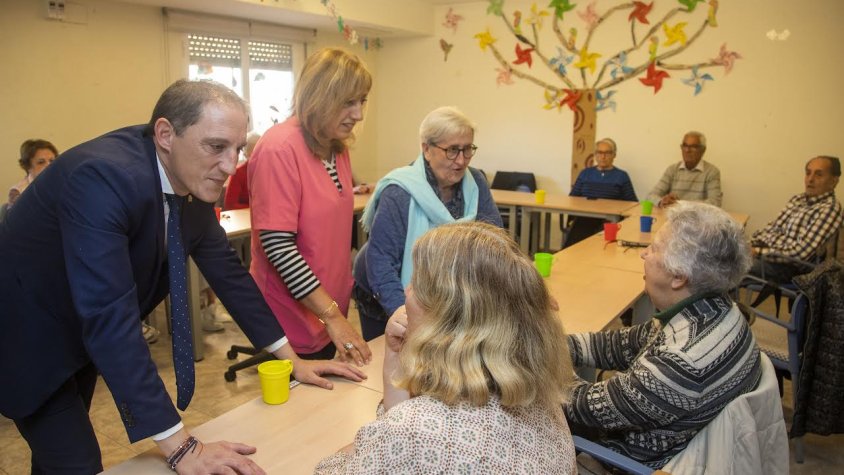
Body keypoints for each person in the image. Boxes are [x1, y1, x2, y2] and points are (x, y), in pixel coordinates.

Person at [0, 79, 365, 474]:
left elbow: (230, 274)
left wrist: (292, 360)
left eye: (238, 148)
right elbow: (111, 318)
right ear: (165, 134)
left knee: (56, 458)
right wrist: (180, 447)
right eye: (216, 146)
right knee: (75, 461)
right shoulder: (102, 178)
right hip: (27, 334)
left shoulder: (187, 180)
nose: (230, 165)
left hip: (77, 332)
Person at [316, 222, 577, 474]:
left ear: (447, 319)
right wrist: (396, 364)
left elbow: (336, 467)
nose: (407, 290)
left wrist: (356, 449)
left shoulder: (414, 431)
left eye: (417, 286)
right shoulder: (538, 391)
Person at [564, 201, 760, 468]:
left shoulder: (682, 361)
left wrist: (538, 356)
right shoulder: (712, 308)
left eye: (654, 248)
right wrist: (558, 343)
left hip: (626, 462)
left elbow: (580, 405)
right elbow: (619, 344)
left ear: (678, 276)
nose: (643, 254)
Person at [248, 48, 372, 365]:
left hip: (326, 308)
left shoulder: (337, 149)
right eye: (348, 102)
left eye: (362, 101)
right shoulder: (279, 148)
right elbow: (277, 246)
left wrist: (333, 313)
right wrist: (330, 315)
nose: (358, 114)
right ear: (320, 97)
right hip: (290, 316)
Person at [353, 106, 502, 340]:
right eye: (452, 150)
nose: (461, 160)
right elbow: (380, 261)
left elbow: (495, 243)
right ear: (426, 149)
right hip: (384, 294)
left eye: (467, 149)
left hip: (441, 293)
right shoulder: (399, 192)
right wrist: (405, 316)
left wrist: (521, 291)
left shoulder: (476, 183)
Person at [750, 155, 843, 284]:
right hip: (769, 255)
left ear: (834, 181)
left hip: (791, 267)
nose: (810, 179)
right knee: (722, 256)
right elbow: (772, 229)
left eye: (819, 175)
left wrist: (757, 252)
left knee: (727, 267)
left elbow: (800, 253)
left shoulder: (830, 208)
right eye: (808, 173)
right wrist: (749, 244)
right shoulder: (797, 199)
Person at [565, 137, 638, 247]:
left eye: (607, 153)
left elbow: (632, 203)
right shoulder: (585, 173)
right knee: (575, 239)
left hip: (610, 220)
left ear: (614, 155)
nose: (603, 156)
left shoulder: (622, 176)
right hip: (585, 217)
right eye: (599, 152)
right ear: (595, 155)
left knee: (601, 241)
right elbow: (572, 199)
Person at [647, 131, 722, 207]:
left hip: (697, 218)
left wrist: (681, 204)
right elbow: (650, 196)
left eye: (693, 147)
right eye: (685, 146)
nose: (687, 150)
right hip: (673, 217)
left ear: (703, 150)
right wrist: (662, 201)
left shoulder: (712, 172)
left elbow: (715, 203)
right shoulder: (672, 169)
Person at [7, 139, 58, 208]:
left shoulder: (61, 183)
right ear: (28, 166)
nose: (49, 165)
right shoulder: (17, 192)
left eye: (52, 161)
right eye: (41, 162)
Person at [223, 131, 260, 210]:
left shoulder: (269, 172)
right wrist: (255, 208)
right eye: (256, 152)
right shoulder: (238, 173)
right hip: (244, 217)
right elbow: (230, 205)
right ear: (247, 154)